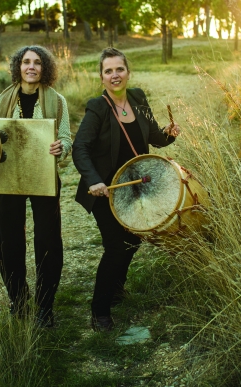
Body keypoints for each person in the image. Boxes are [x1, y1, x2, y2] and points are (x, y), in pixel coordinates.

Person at [72, 48, 181, 331]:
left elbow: (154, 137)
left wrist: (169, 135)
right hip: (105, 189)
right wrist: (94, 180)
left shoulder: (138, 98)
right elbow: (80, 147)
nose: (114, 75)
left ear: (128, 73)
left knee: (133, 241)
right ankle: (99, 312)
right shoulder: (97, 107)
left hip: (134, 187)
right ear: (102, 78)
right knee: (116, 246)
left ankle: (116, 289)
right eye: (108, 71)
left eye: (119, 69)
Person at [0, 45, 72, 327]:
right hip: (9, 178)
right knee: (6, 243)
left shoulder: (56, 100)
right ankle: (20, 300)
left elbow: (66, 138)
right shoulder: (2, 100)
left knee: (48, 243)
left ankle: (45, 307)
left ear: (44, 68)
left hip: (44, 177)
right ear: (18, 67)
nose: (31, 67)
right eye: (26, 62)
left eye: (37, 62)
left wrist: (61, 147)